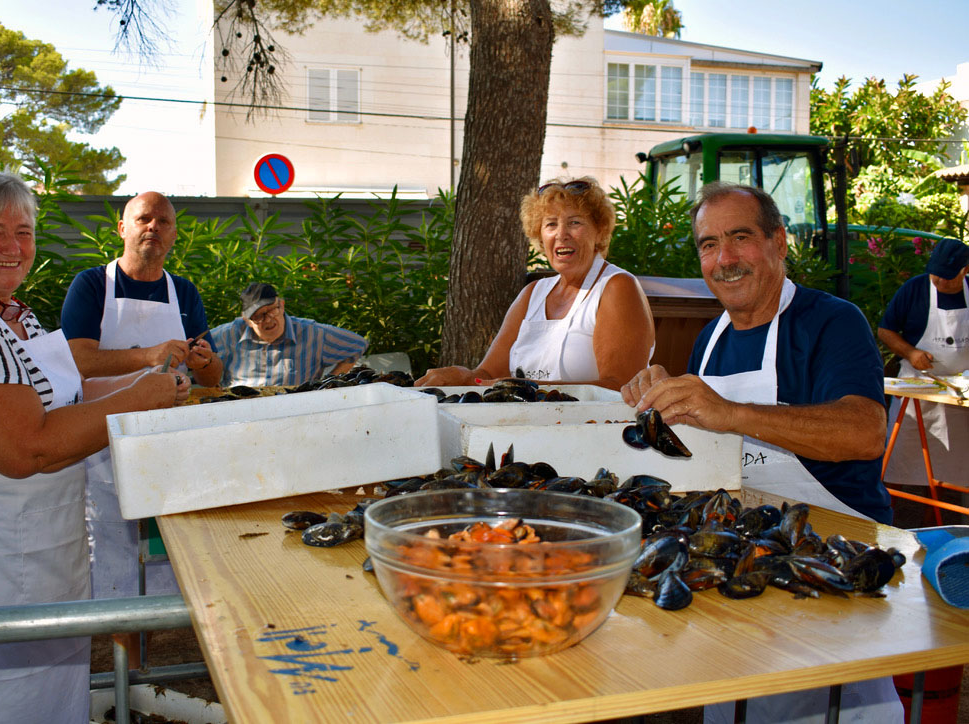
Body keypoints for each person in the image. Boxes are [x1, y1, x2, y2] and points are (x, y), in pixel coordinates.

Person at [0, 172, 188, 724]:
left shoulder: (11, 313)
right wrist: (138, 398)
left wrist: (147, 387)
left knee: (49, 699)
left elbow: (60, 395)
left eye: (23, 232)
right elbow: (24, 448)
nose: (12, 247)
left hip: (31, 540)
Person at [620, 181, 901, 724]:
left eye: (740, 238)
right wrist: (657, 407)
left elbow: (866, 433)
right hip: (744, 561)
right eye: (707, 244)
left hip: (832, 563)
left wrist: (732, 413)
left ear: (779, 243)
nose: (723, 259)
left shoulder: (831, 321)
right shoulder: (711, 339)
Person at [60, 191, 223, 599]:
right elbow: (76, 361)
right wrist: (149, 356)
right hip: (103, 442)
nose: (153, 227)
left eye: (163, 221)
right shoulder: (92, 284)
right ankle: (124, 646)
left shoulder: (183, 292)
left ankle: (164, 626)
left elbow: (214, 375)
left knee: (170, 543)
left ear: (173, 235)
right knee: (112, 552)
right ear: (122, 228)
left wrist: (202, 362)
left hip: (168, 444)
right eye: (143, 218)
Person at [415, 177, 655, 389]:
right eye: (551, 224)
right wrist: (463, 375)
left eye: (575, 222)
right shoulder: (533, 293)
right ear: (539, 235)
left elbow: (620, 387)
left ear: (600, 231)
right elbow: (486, 375)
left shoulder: (617, 286)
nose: (562, 234)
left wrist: (524, 388)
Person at [876, 237, 969, 488]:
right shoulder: (915, 289)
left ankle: (942, 511)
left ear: (965, 270)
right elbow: (886, 331)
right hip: (918, 386)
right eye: (935, 275)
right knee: (904, 460)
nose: (939, 281)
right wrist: (910, 352)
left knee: (958, 465)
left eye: (947, 277)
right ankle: (902, 508)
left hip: (960, 390)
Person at [209, 282, 368, 387]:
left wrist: (328, 383)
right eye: (258, 316)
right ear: (247, 320)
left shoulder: (313, 333)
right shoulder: (228, 334)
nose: (268, 319)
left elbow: (358, 345)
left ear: (282, 305)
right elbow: (196, 351)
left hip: (297, 414)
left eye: (272, 309)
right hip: (242, 414)